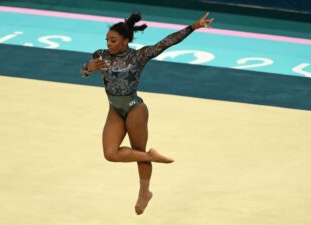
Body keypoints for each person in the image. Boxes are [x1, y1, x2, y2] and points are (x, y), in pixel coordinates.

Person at [80, 11, 214, 215]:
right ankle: (151, 156)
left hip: (135, 107)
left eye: (113, 40)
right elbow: (83, 72)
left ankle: (144, 192)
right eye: (107, 39)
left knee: (137, 149)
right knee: (110, 154)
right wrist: (88, 68)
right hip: (114, 110)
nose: (108, 44)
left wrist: (193, 27)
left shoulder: (138, 56)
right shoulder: (100, 55)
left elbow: (166, 43)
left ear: (125, 41)